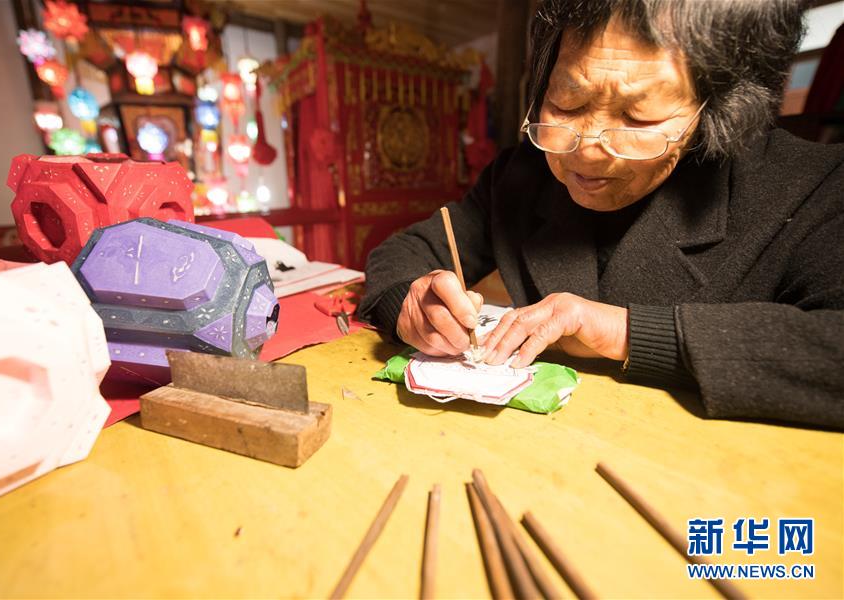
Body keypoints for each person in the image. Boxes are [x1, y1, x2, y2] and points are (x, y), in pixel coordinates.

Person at [357, 0, 844, 429]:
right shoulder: (521, 177)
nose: (587, 151)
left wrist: (627, 332)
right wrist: (410, 303)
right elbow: (407, 250)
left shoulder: (813, 188)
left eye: (639, 119)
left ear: (717, 106)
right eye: (566, 103)